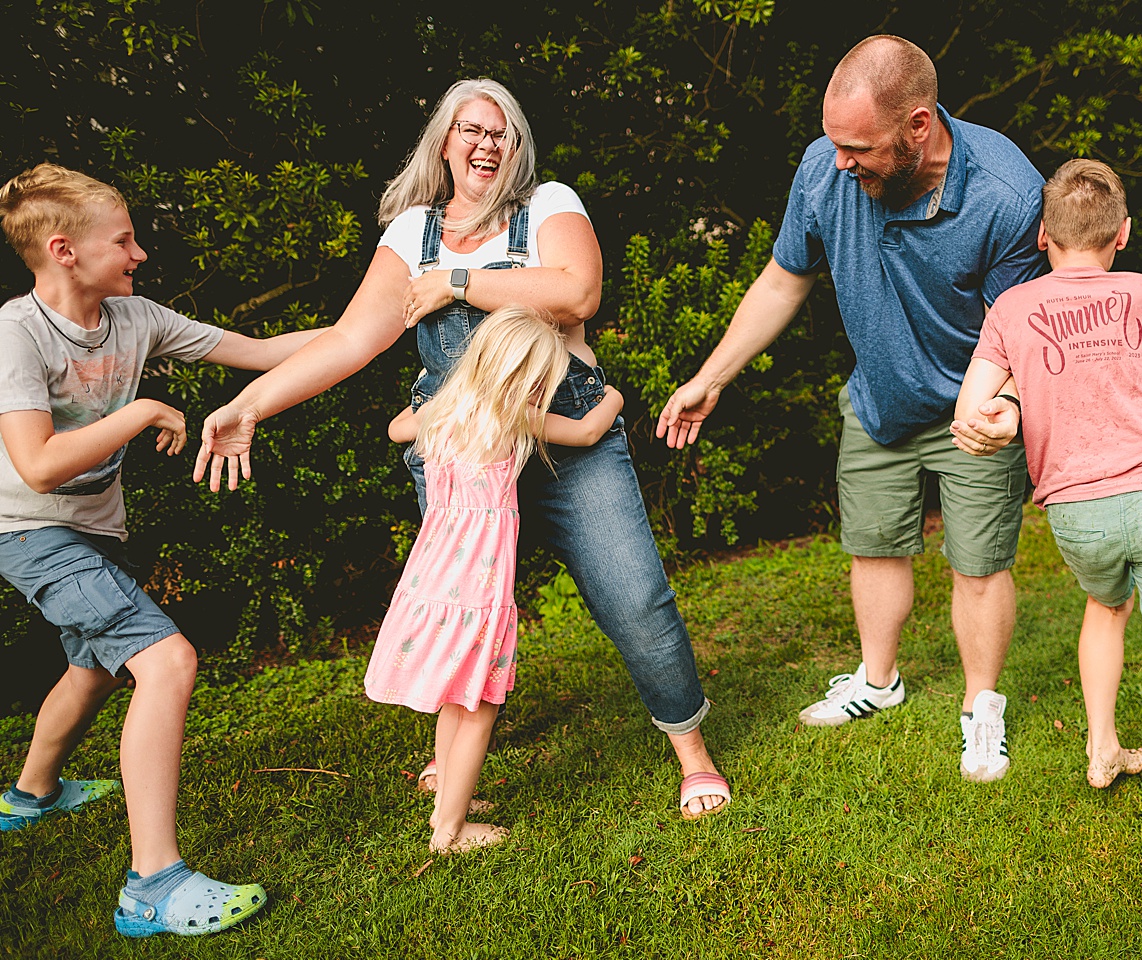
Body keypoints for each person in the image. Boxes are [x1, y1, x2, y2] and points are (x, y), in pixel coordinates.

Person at [193, 78, 731, 819]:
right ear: (443, 141)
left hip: (566, 438)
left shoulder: (547, 206)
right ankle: (456, 755)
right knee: (464, 608)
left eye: (501, 130)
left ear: (517, 146)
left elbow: (577, 294)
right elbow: (352, 340)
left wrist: (457, 281)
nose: (486, 142)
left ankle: (691, 751)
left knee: (633, 596)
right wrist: (252, 402)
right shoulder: (409, 234)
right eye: (470, 129)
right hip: (465, 452)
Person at [657, 36, 1043, 781]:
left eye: (859, 147)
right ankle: (877, 681)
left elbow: (1022, 328)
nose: (840, 162)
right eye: (835, 143)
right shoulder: (824, 166)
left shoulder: (1006, 193)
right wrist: (714, 377)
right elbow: (783, 278)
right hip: (878, 399)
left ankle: (982, 707)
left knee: (980, 565)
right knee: (874, 544)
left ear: (919, 127)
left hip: (977, 409)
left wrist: (1012, 405)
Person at [0, 164, 325, 936]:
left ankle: (29, 793)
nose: (140, 253)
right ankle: (153, 883)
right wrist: (147, 406)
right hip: (29, 531)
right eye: (124, 240)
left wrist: (384, 323)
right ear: (63, 250)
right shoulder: (18, 333)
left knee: (94, 665)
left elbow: (261, 350)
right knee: (167, 661)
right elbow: (38, 463)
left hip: (93, 529)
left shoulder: (136, 317)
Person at [951, 158, 1142, 910]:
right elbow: (1121, 375)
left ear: (1041, 235)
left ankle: (1103, 749)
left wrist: (999, 418)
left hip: (1077, 513)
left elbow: (972, 411)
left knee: (1106, 606)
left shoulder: (1012, 307)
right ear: (1123, 233)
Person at [368, 305, 623, 853]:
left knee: (454, 698)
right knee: (480, 706)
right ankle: (451, 831)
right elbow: (587, 430)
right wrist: (615, 396)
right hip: (477, 588)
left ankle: (448, 799)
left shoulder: (443, 412)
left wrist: (432, 404)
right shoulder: (512, 416)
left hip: (434, 575)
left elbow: (395, 429)